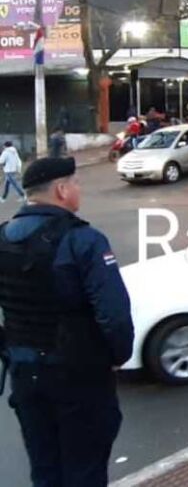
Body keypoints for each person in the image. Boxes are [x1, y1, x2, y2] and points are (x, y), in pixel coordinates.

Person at [0, 157, 134, 486]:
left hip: (25, 373)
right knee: (84, 470)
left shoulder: (4, 237)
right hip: (78, 374)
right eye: (75, 183)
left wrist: (11, 347)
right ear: (61, 190)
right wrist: (117, 357)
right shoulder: (83, 240)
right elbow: (114, 314)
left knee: (45, 468)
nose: (79, 189)